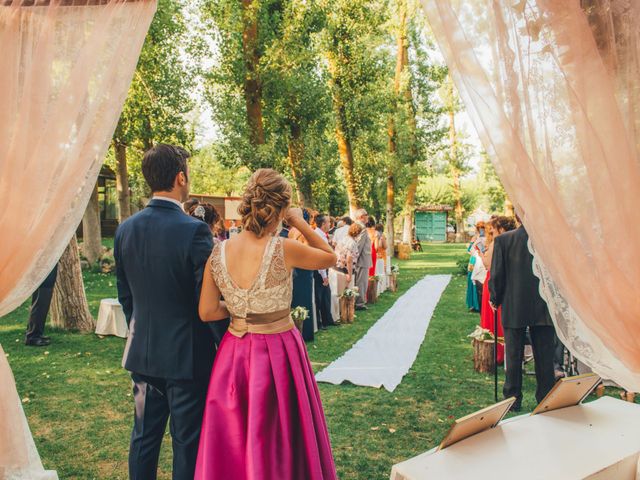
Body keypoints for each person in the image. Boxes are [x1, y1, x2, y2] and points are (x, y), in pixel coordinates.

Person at [195, 168, 338, 480]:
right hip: (278, 349)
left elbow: (206, 311)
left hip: (233, 353)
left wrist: (238, 309)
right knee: (282, 434)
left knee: (236, 435)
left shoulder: (218, 252)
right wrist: (299, 222)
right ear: (281, 209)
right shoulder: (283, 248)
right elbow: (329, 258)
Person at [114, 144, 220, 480]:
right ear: (180, 177)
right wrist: (223, 343)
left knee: (144, 437)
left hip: (142, 352)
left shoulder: (125, 229)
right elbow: (206, 300)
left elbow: (126, 297)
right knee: (187, 443)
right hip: (187, 357)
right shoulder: (194, 231)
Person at [489, 218, 556, 412]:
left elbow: (497, 274)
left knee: (513, 353)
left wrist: (496, 297)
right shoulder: (548, 241)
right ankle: (545, 398)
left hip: (514, 304)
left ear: (518, 217)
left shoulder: (504, 241)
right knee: (544, 355)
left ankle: (512, 398)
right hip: (543, 305)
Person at [289, 209, 316, 341]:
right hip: (304, 268)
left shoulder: (291, 231)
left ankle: (296, 330)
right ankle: (305, 332)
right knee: (305, 299)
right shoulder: (306, 232)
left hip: (294, 268)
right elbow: (308, 251)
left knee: (296, 299)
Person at [24, 264, 58, 347]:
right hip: (44, 265)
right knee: (41, 301)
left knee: (41, 299)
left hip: (46, 264)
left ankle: (34, 332)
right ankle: (33, 337)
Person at [313, 213, 337, 329]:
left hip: (323, 269)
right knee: (319, 297)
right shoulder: (318, 236)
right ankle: (319, 322)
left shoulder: (322, 234)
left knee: (326, 295)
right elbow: (319, 257)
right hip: (319, 270)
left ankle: (328, 319)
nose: (330, 224)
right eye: (328, 222)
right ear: (323, 224)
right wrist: (323, 275)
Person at [353, 209, 372, 310]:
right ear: (361, 217)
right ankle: (359, 303)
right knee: (361, 282)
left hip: (360, 259)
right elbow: (359, 245)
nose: (367, 217)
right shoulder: (362, 228)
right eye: (366, 215)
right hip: (362, 259)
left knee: (360, 281)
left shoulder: (357, 226)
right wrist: (355, 259)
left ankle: (358, 301)